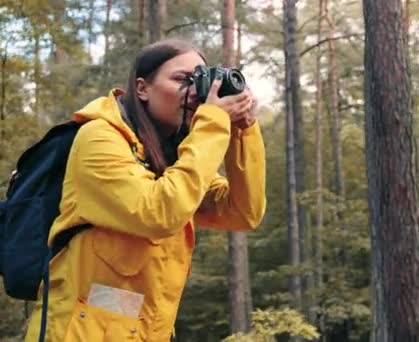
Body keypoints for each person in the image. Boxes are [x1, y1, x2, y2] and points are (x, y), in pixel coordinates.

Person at [24, 38, 266, 341]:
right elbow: (159, 213)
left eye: (200, 81)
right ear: (142, 88)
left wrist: (242, 131)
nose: (194, 92)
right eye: (182, 79)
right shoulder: (99, 137)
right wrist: (213, 121)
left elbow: (242, 212)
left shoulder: (174, 158)